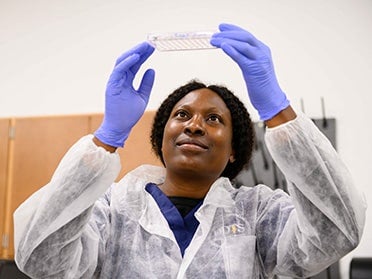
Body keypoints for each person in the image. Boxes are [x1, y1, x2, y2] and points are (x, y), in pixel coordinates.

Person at [14, 23, 366, 278]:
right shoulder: (112, 210)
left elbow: (336, 232)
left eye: (213, 119)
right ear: (162, 137)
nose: (194, 125)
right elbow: (40, 258)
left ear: (233, 151)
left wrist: (278, 112)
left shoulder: (259, 215)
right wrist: (108, 136)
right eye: (181, 115)